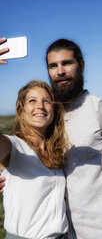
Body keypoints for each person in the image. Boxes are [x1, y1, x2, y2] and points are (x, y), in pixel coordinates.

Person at [1, 37, 102, 239]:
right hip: (67, 234)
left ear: (81, 65)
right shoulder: (48, 119)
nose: (60, 71)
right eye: (53, 66)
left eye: (67, 63)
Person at [0, 79, 68, 238]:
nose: (40, 106)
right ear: (21, 111)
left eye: (47, 101)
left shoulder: (58, 151)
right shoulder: (14, 147)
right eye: (32, 101)